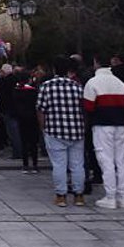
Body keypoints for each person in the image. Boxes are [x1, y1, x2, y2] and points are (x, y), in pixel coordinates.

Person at [37, 57, 87, 207]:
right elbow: (84, 108)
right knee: (77, 164)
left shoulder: (46, 86)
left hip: (55, 130)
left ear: (54, 70)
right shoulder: (77, 87)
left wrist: (43, 127)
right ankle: (79, 195)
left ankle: (61, 196)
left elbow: (40, 109)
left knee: (59, 164)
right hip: (76, 130)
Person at [83, 57, 124, 209]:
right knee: (121, 159)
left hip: (102, 124)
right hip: (120, 124)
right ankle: (123, 196)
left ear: (95, 63)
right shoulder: (119, 83)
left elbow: (88, 106)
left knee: (106, 159)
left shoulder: (93, 82)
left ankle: (110, 196)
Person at [14, 68, 41, 173]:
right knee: (33, 142)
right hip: (33, 118)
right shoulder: (33, 91)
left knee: (24, 141)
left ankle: (25, 164)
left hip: (22, 118)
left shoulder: (17, 90)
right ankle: (35, 164)